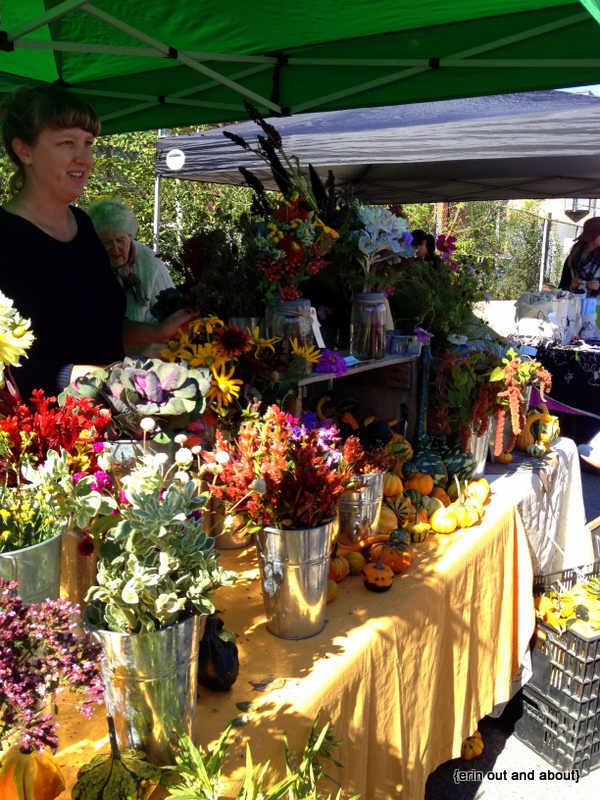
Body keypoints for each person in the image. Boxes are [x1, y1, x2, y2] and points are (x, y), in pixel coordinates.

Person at [0, 85, 192, 399]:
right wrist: (93, 376)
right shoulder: (7, 237)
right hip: (46, 434)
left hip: (106, 415)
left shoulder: (85, 226)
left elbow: (98, 325)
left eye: (88, 143)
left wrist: (157, 332)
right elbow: (10, 369)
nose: (85, 158)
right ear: (25, 151)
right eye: (67, 143)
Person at [87, 197, 174, 323]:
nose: (115, 248)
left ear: (130, 236)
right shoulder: (85, 263)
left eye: (120, 240)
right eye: (106, 242)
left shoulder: (151, 265)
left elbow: (173, 314)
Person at [559, 217, 600, 298]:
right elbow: (561, 288)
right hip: (573, 305)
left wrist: (598, 287)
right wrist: (571, 286)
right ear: (593, 236)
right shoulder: (573, 257)